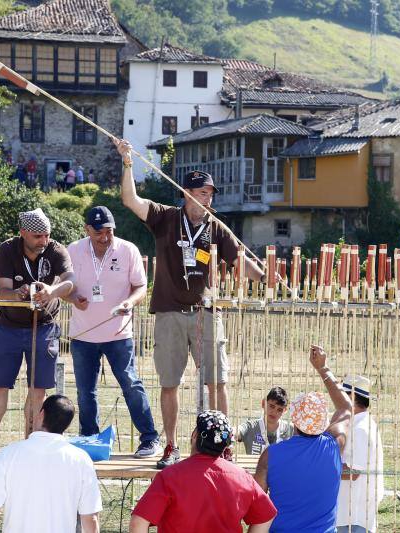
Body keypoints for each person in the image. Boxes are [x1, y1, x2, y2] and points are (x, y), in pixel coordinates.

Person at [115, 137, 264, 469]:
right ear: (186, 193)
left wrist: (261, 272)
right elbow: (130, 199)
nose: (207, 198)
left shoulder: (218, 228)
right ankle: (170, 446)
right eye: (202, 193)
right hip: (169, 311)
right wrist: (127, 161)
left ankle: (222, 446)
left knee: (217, 381)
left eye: (210, 194)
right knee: (170, 383)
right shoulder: (166, 217)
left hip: (206, 313)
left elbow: (242, 264)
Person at [0, 208, 74, 465]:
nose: (43, 241)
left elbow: (71, 282)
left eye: (46, 235)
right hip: (9, 327)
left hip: (44, 326)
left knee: (38, 389)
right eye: (37, 236)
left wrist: (51, 290)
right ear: (23, 233)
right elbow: (2, 291)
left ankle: (31, 444)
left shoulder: (57, 249)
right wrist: (18, 293)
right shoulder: (7, 249)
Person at [65, 206, 160, 457]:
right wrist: (74, 297)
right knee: (86, 392)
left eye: (109, 231)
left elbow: (140, 286)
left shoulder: (128, 250)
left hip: (119, 334)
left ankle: (149, 438)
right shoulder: (73, 250)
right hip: (83, 335)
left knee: (131, 384)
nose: (105, 237)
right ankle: (89, 440)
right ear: (87, 229)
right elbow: (62, 287)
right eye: (98, 232)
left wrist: (130, 302)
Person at [253, 345, 353, 533]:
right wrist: (323, 368)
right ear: (323, 420)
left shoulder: (270, 455)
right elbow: (346, 408)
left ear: (294, 418)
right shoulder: (334, 446)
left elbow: (257, 507)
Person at [129, 410, 277, 533]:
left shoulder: (169, 476)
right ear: (225, 445)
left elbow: (138, 523)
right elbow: (266, 516)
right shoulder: (243, 478)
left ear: (194, 436)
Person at [0, 394, 102, 533]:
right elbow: (91, 518)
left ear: (41, 414)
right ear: (66, 424)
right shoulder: (81, 460)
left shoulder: (7, 455)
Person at [336, 375, 384, 533]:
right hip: (351, 514)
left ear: (351, 397)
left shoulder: (361, 429)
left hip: (354, 516)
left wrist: (321, 468)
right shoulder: (359, 424)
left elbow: (353, 472)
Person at [237, 386, 293, 455]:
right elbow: (236, 431)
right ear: (263, 403)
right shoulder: (250, 427)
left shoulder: (291, 430)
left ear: (284, 410)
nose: (274, 412)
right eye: (272, 406)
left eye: (279, 410)